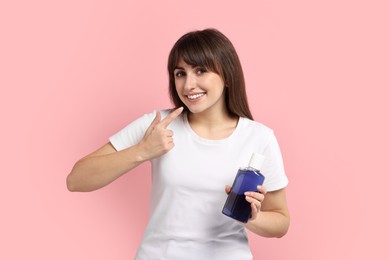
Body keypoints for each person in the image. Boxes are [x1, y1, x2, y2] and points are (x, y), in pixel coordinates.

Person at [67, 28, 289, 260]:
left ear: (227, 76)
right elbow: (76, 179)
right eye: (180, 73)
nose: (188, 85)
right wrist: (141, 151)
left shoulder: (259, 137)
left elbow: (281, 221)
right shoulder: (158, 125)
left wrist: (253, 218)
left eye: (200, 71)